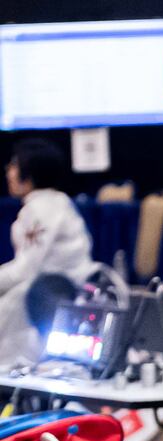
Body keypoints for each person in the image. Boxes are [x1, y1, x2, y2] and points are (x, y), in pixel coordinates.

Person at [0, 139, 94, 369]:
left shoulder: (41, 208)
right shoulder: (54, 202)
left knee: (10, 305)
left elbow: (27, 269)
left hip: (53, 294)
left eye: (14, 165)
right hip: (54, 291)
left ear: (29, 174)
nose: (8, 172)